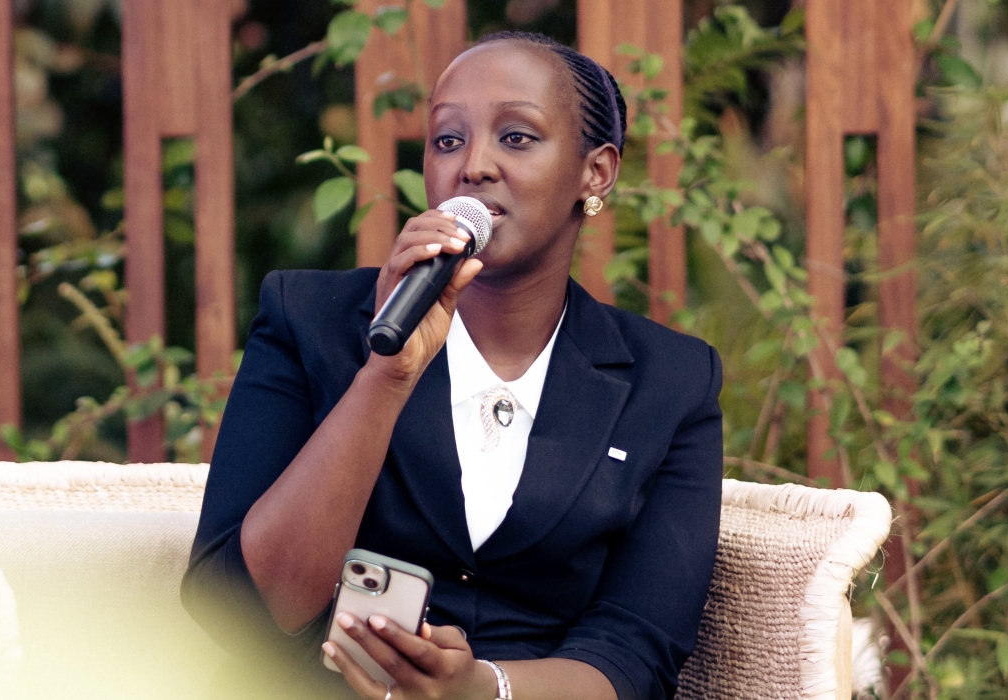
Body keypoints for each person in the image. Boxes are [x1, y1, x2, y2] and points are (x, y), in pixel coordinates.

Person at [182, 31, 723, 700]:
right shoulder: (311, 319)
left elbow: (636, 651)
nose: (474, 166)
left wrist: (483, 689)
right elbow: (240, 611)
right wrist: (384, 377)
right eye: (447, 139)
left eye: (517, 137)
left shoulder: (671, 380)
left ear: (596, 172)